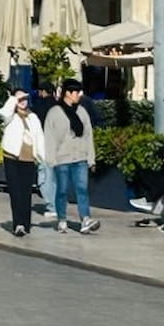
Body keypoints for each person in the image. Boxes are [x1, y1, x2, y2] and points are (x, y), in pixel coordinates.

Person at [44, 78, 100, 234]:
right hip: (62, 159)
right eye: (76, 92)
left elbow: (88, 135)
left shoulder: (82, 111)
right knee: (62, 190)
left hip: (80, 158)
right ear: (67, 93)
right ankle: (62, 219)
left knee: (82, 189)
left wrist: (91, 158)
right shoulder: (54, 113)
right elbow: (49, 137)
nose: (78, 95)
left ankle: (85, 219)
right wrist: (51, 159)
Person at [0, 89, 45, 236]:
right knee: (15, 191)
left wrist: (43, 157)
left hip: (28, 159)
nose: (23, 101)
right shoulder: (10, 116)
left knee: (26, 192)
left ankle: (25, 223)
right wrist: (14, 99)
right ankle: (18, 224)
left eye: (25, 98)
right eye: (20, 99)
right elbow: (3, 113)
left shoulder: (33, 117)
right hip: (12, 157)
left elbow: (40, 138)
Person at [31, 82, 58, 220]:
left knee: (44, 177)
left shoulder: (38, 106)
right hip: (58, 146)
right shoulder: (59, 106)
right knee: (55, 178)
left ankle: (52, 206)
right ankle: (58, 205)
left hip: (44, 145)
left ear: (42, 92)